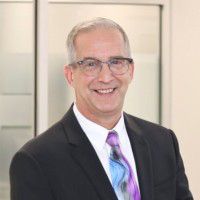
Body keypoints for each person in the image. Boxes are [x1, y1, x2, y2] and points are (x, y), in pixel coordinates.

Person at [10, 18, 193, 200]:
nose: (106, 77)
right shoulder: (36, 160)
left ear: (131, 70)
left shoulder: (162, 142)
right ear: (70, 75)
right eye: (91, 64)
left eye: (116, 62)